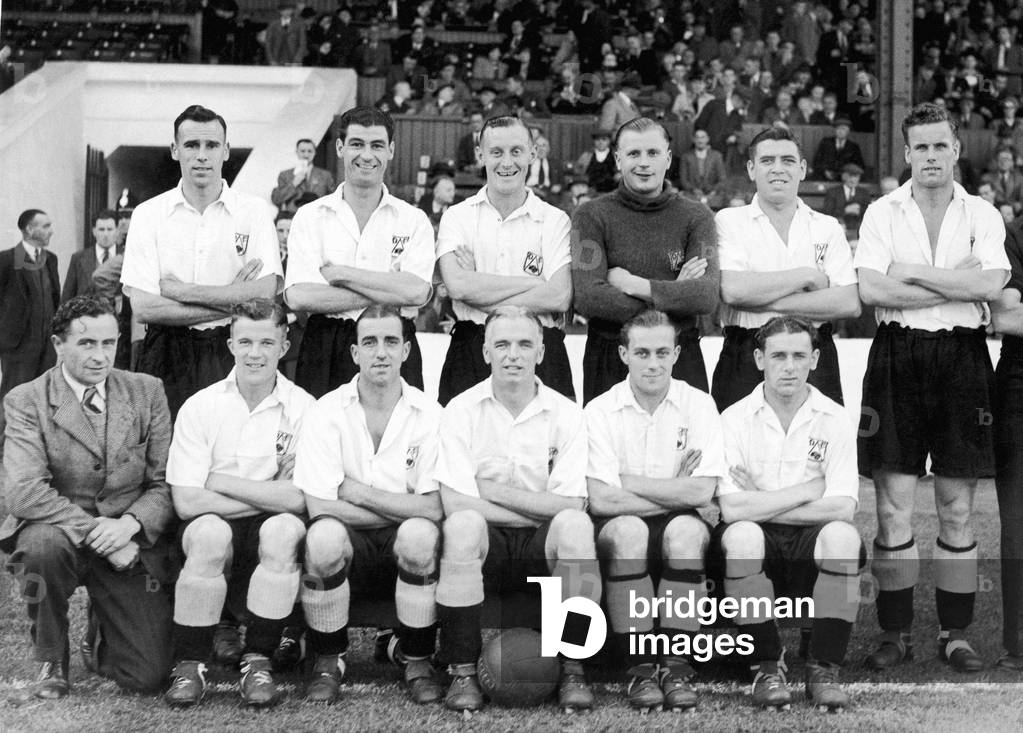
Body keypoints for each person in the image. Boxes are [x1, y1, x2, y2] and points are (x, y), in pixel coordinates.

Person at [856, 102, 1009, 673]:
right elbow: (872, 290)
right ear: (906, 153)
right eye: (920, 147)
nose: (930, 156)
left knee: (956, 509)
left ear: (956, 149)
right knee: (892, 508)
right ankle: (894, 633)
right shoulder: (881, 211)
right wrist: (954, 282)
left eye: (940, 145)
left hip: (964, 358)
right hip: (897, 354)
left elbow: (991, 282)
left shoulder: (983, 213)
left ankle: (956, 633)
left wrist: (912, 272)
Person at [1, 295, 174, 698]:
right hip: (61, 533)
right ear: (58, 344)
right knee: (40, 547)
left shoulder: (147, 391)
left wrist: (130, 525)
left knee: (147, 676)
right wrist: (100, 533)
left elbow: (165, 483)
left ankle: (101, 633)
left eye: (109, 343)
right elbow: (24, 492)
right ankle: (50, 658)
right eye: (86, 344)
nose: (100, 356)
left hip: (128, 538)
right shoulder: (26, 399)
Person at [433, 306, 600, 712]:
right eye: (503, 344)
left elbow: (572, 504)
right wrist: (539, 509)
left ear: (542, 353)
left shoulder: (567, 413)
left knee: (575, 527)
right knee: (462, 526)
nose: (514, 354)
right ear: (486, 352)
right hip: (487, 545)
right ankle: (462, 672)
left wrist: (489, 490)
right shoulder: (459, 409)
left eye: (524, 344)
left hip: (542, 548)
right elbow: (455, 502)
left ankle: (573, 666)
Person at [163, 299, 315, 707]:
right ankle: (189, 664)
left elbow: (301, 498)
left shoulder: (305, 408)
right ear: (229, 343)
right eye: (245, 341)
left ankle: (258, 660)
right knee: (210, 532)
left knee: (284, 529)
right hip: (211, 523)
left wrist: (220, 481)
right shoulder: (200, 406)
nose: (254, 353)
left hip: (269, 525)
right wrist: (270, 493)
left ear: (284, 346)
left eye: (267, 342)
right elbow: (187, 501)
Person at [292, 305, 444, 705]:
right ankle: (330, 657)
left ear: (407, 351)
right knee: (322, 538)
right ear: (355, 352)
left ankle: (416, 658)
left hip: (403, 537)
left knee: (418, 535)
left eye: (391, 342)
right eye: (370, 342)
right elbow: (320, 506)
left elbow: (432, 509)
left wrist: (357, 492)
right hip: (347, 538)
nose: (381, 352)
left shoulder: (431, 414)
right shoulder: (325, 411)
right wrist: (399, 505)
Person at [712, 316, 862, 710]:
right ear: (760, 359)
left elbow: (843, 507)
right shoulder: (732, 419)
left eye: (799, 355)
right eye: (779, 355)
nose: (789, 366)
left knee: (843, 538)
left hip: (808, 539)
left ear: (815, 359)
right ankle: (767, 667)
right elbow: (730, 507)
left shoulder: (835, 418)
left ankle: (823, 669)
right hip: (756, 540)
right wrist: (806, 491)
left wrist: (761, 500)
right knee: (741, 536)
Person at [585, 309, 726, 711]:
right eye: (642, 352)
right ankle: (641, 667)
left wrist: (628, 479)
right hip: (619, 519)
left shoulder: (699, 405)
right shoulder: (598, 410)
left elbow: (702, 492)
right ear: (624, 354)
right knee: (629, 532)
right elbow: (602, 499)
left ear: (677, 354)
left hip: (677, 519)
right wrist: (673, 489)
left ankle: (676, 664)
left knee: (684, 534)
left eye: (662, 352)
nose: (653, 363)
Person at [120, 105, 282, 419]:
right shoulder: (148, 214)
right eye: (192, 145)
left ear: (226, 151)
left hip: (229, 346)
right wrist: (234, 298)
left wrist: (180, 291)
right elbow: (144, 308)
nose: (202, 155)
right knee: (164, 457)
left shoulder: (254, 211)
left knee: (230, 452)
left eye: (211, 145)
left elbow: (264, 295)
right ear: (174, 150)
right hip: (165, 349)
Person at [284, 106, 434, 398]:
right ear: (340, 148)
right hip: (324, 344)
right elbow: (300, 296)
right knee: (322, 439)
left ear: (390, 150)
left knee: (398, 439)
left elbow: (416, 293)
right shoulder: (310, 215)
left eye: (377, 145)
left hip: (393, 339)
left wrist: (342, 275)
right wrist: (389, 290)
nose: (366, 155)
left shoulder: (413, 219)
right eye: (357, 144)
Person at [572, 117, 720, 404]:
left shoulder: (697, 216)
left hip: (678, 352)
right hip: (610, 352)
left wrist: (632, 284)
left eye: (653, 153)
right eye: (633, 153)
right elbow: (589, 298)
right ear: (617, 159)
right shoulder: (590, 215)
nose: (643, 163)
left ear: (668, 159)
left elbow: (704, 296)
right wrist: (673, 292)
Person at [712, 126, 860, 412]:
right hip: (745, 351)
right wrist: (805, 276)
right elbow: (733, 290)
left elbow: (848, 302)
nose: (778, 169)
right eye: (767, 161)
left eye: (788, 161)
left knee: (816, 453)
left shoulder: (827, 226)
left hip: (814, 354)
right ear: (752, 169)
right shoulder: (729, 221)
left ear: (803, 169)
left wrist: (762, 299)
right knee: (738, 455)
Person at [436, 116, 575, 405]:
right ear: (480, 155)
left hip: (540, 346)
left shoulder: (554, 219)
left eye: (516, 151)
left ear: (532, 154)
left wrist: (479, 283)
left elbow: (559, 296)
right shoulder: (457, 216)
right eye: (496, 152)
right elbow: (459, 287)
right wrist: (533, 284)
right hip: (471, 345)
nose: (506, 162)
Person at [0, 209, 60, 433]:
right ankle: (3, 447)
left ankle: (34, 447)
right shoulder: (6, 260)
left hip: (46, 345)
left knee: (43, 398)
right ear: (29, 229)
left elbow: (55, 298)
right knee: (13, 395)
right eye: (45, 226)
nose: (50, 230)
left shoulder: (50, 259)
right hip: (18, 346)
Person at [61, 210, 120, 303]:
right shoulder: (78, 258)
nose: (105, 234)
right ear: (94, 231)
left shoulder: (126, 258)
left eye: (109, 229)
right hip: (86, 315)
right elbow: (67, 296)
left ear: (117, 231)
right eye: (101, 229)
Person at [271, 139, 336, 214]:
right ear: (297, 152)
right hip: (293, 216)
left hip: (318, 216)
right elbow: (276, 199)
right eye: (302, 151)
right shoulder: (285, 175)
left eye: (309, 151)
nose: (306, 155)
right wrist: (294, 183)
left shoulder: (325, 175)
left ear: (315, 153)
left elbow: (334, 198)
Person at [821, 163, 873, 234]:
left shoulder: (864, 193)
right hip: (839, 228)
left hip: (859, 229)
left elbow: (869, 213)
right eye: (850, 176)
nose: (853, 180)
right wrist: (844, 210)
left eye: (856, 177)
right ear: (843, 177)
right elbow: (827, 213)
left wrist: (859, 210)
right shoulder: (833, 192)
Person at [811, 116, 866, 181]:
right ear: (834, 130)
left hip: (845, 179)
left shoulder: (853, 147)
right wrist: (825, 171)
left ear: (848, 131)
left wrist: (845, 173)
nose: (840, 131)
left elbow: (859, 166)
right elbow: (817, 161)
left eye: (843, 129)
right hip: (824, 177)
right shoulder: (825, 142)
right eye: (838, 129)